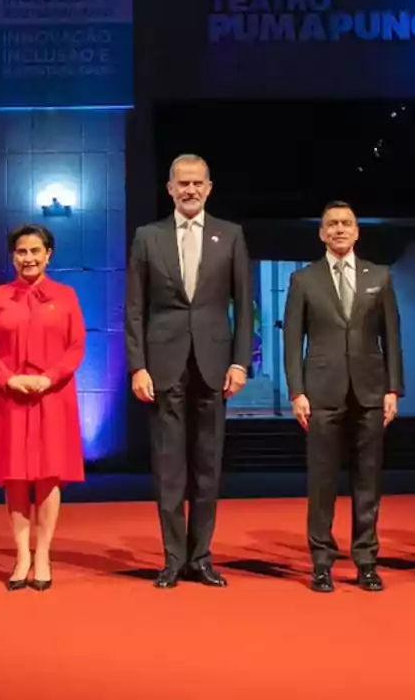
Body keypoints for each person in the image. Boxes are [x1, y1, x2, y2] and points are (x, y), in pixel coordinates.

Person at [125, 154, 253, 589]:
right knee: (168, 467)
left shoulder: (230, 236)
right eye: (183, 183)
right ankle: (172, 559)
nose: (191, 190)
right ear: (170, 188)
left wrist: (241, 361)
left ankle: (201, 557)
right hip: (162, 365)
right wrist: (137, 365)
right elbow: (135, 309)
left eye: (198, 183)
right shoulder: (148, 237)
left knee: (207, 466)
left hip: (215, 365)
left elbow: (245, 305)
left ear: (210, 187)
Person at [282, 201, 404, 593]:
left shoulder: (380, 276)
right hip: (320, 393)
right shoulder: (303, 280)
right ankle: (321, 563)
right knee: (321, 482)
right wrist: (297, 391)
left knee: (367, 481)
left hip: (369, 392)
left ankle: (366, 560)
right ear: (321, 233)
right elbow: (291, 341)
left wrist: (392, 389)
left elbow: (393, 337)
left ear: (357, 231)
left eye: (346, 223)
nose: (339, 229)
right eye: (331, 224)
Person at [0, 223, 86, 592]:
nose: (29, 258)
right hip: (9, 398)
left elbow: (76, 347)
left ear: (48, 254)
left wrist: (49, 377)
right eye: (21, 252)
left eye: (36, 251)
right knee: (16, 476)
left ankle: (44, 555)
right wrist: (7, 378)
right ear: (13, 256)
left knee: (49, 475)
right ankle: (22, 553)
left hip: (52, 396)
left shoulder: (65, 296)